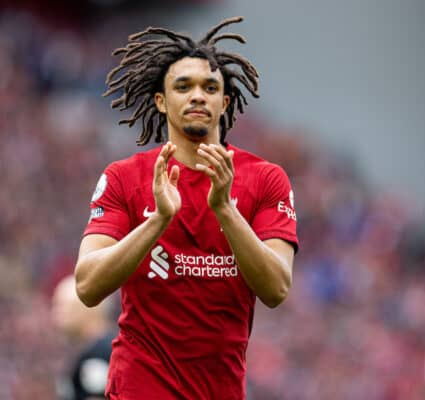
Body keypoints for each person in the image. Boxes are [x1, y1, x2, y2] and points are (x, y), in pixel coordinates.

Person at [75, 16, 299, 400]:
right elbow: (87, 285)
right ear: (162, 101)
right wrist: (158, 220)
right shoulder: (124, 178)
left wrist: (225, 210)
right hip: (139, 388)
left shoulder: (266, 179)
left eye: (210, 87)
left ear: (224, 101)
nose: (198, 95)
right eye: (184, 86)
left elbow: (277, 288)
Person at [52, 275, 117, 400]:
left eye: (61, 306)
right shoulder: (100, 348)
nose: (55, 313)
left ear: (87, 306)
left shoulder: (100, 353)